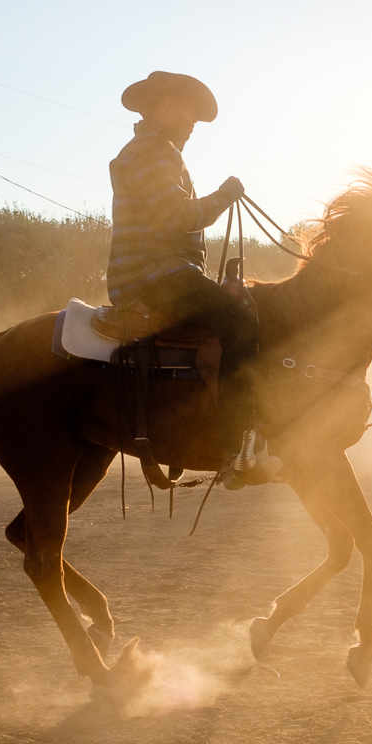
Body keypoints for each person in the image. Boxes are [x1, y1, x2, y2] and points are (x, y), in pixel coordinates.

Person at [98, 71, 272, 485]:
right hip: (153, 276)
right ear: (168, 104)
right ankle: (236, 450)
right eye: (191, 112)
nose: (194, 122)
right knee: (241, 323)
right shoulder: (152, 151)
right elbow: (177, 217)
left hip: (162, 272)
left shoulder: (159, 151)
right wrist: (226, 193)